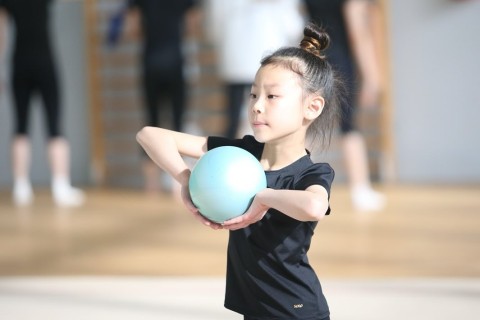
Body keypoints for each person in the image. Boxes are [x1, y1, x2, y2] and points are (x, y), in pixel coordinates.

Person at [137, 23, 342, 320]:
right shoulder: (242, 154)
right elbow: (150, 135)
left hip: (297, 312)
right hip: (254, 309)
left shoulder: (311, 174)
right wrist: (186, 178)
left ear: (312, 107)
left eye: (271, 97)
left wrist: (263, 197)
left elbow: (314, 206)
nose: (257, 106)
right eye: (253, 95)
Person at [303, 0, 386, 212]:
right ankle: (360, 190)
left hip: (313, 59)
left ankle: (283, 180)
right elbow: (358, 33)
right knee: (349, 126)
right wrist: (371, 76)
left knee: (308, 125)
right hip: (339, 61)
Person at [0, 0, 84, 207]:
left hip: (21, 64)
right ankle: (58, 186)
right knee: (53, 126)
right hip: (44, 64)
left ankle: (23, 187)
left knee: (21, 126)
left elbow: (0, 33)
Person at [121, 0, 200, 194]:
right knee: (178, 124)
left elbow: (132, 28)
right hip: (175, 60)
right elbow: (192, 25)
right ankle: (177, 184)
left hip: (151, 61)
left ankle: (151, 185)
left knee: (151, 121)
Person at [203, 0, 304, 139]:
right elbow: (293, 27)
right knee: (271, 116)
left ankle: (230, 153)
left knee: (234, 119)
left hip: (235, 57)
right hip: (272, 57)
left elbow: (214, 24)